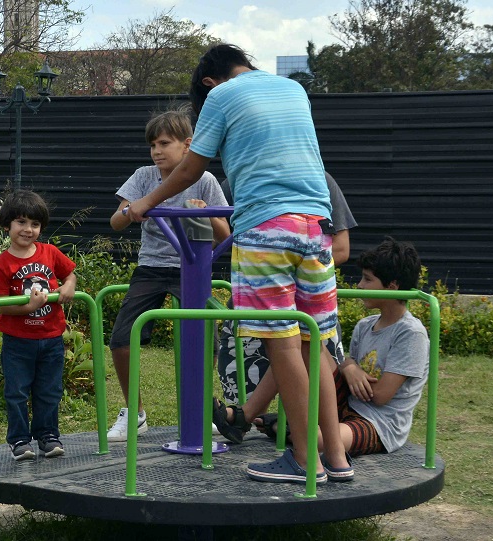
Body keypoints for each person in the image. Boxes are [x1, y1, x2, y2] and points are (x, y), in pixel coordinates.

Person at [126, 43, 350, 483]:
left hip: (266, 227)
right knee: (315, 343)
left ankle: (304, 460)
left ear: (209, 82)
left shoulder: (221, 95)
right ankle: (337, 459)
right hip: (315, 225)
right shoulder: (293, 89)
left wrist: (145, 203)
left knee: (281, 342)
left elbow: (190, 168)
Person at [106, 107, 230, 442]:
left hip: (191, 267)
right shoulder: (144, 177)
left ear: (187, 145)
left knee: (205, 340)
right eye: (153, 145)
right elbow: (116, 221)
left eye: (164, 144)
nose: (156, 151)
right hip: (151, 267)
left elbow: (224, 233)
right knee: (121, 338)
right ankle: (135, 412)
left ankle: (202, 408)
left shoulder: (204, 180)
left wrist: (207, 213)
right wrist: (131, 211)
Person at [213, 172, 357, 444]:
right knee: (287, 355)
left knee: (304, 353)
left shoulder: (318, 179)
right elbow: (218, 238)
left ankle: (305, 444)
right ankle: (256, 419)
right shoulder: (239, 178)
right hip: (262, 299)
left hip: (299, 300)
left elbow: (340, 248)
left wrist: (281, 271)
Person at [0, 189, 77, 461]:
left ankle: (48, 436)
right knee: (16, 392)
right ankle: (19, 440)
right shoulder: (3, 263)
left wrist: (68, 286)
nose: (28, 229)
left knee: (49, 391)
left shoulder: (50, 252)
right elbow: (2, 305)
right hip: (18, 341)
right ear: (7, 225)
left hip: (51, 337)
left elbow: (70, 274)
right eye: (21, 222)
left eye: (35, 224)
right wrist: (29, 307)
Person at [332, 237, 429, 459]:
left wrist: (350, 370)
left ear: (392, 286)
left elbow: (380, 396)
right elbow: (350, 367)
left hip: (379, 423)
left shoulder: (410, 333)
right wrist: (348, 367)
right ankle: (279, 423)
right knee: (308, 348)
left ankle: (289, 429)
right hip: (349, 406)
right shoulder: (364, 325)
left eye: (367, 279)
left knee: (318, 439)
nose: (359, 286)